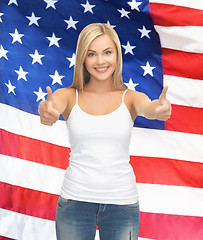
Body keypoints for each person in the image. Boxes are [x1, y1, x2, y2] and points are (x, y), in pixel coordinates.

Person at [38, 23, 171, 240]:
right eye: (92, 54)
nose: (100, 61)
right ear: (83, 58)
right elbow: (52, 106)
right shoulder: (69, 95)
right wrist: (47, 111)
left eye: (107, 52)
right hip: (74, 203)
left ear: (117, 55)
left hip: (122, 205)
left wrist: (159, 110)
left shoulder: (130, 98)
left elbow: (150, 107)